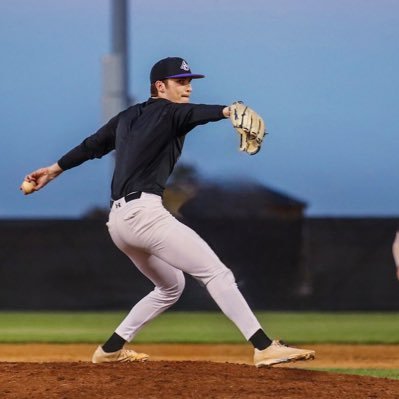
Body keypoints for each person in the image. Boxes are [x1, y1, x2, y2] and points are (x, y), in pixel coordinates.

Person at [21, 57, 315, 367]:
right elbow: (196, 113)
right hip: (145, 215)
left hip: (119, 223)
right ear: (160, 87)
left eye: (189, 81)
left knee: (170, 287)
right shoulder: (172, 112)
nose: (187, 87)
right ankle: (264, 347)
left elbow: (91, 145)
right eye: (180, 82)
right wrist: (227, 111)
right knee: (217, 273)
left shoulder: (127, 117)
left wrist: (53, 170)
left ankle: (110, 350)